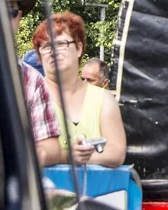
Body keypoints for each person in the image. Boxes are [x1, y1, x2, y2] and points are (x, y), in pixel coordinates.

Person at [32, 12, 126, 167]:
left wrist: (78, 157)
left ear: (79, 48)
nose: (54, 51)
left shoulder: (103, 99)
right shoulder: (30, 95)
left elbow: (116, 152)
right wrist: (69, 157)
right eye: (47, 46)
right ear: (39, 57)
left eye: (62, 44)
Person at [1, 0, 63, 168]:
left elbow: (51, 147)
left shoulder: (29, 78)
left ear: (18, 18)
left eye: (9, 12)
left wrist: (26, 156)